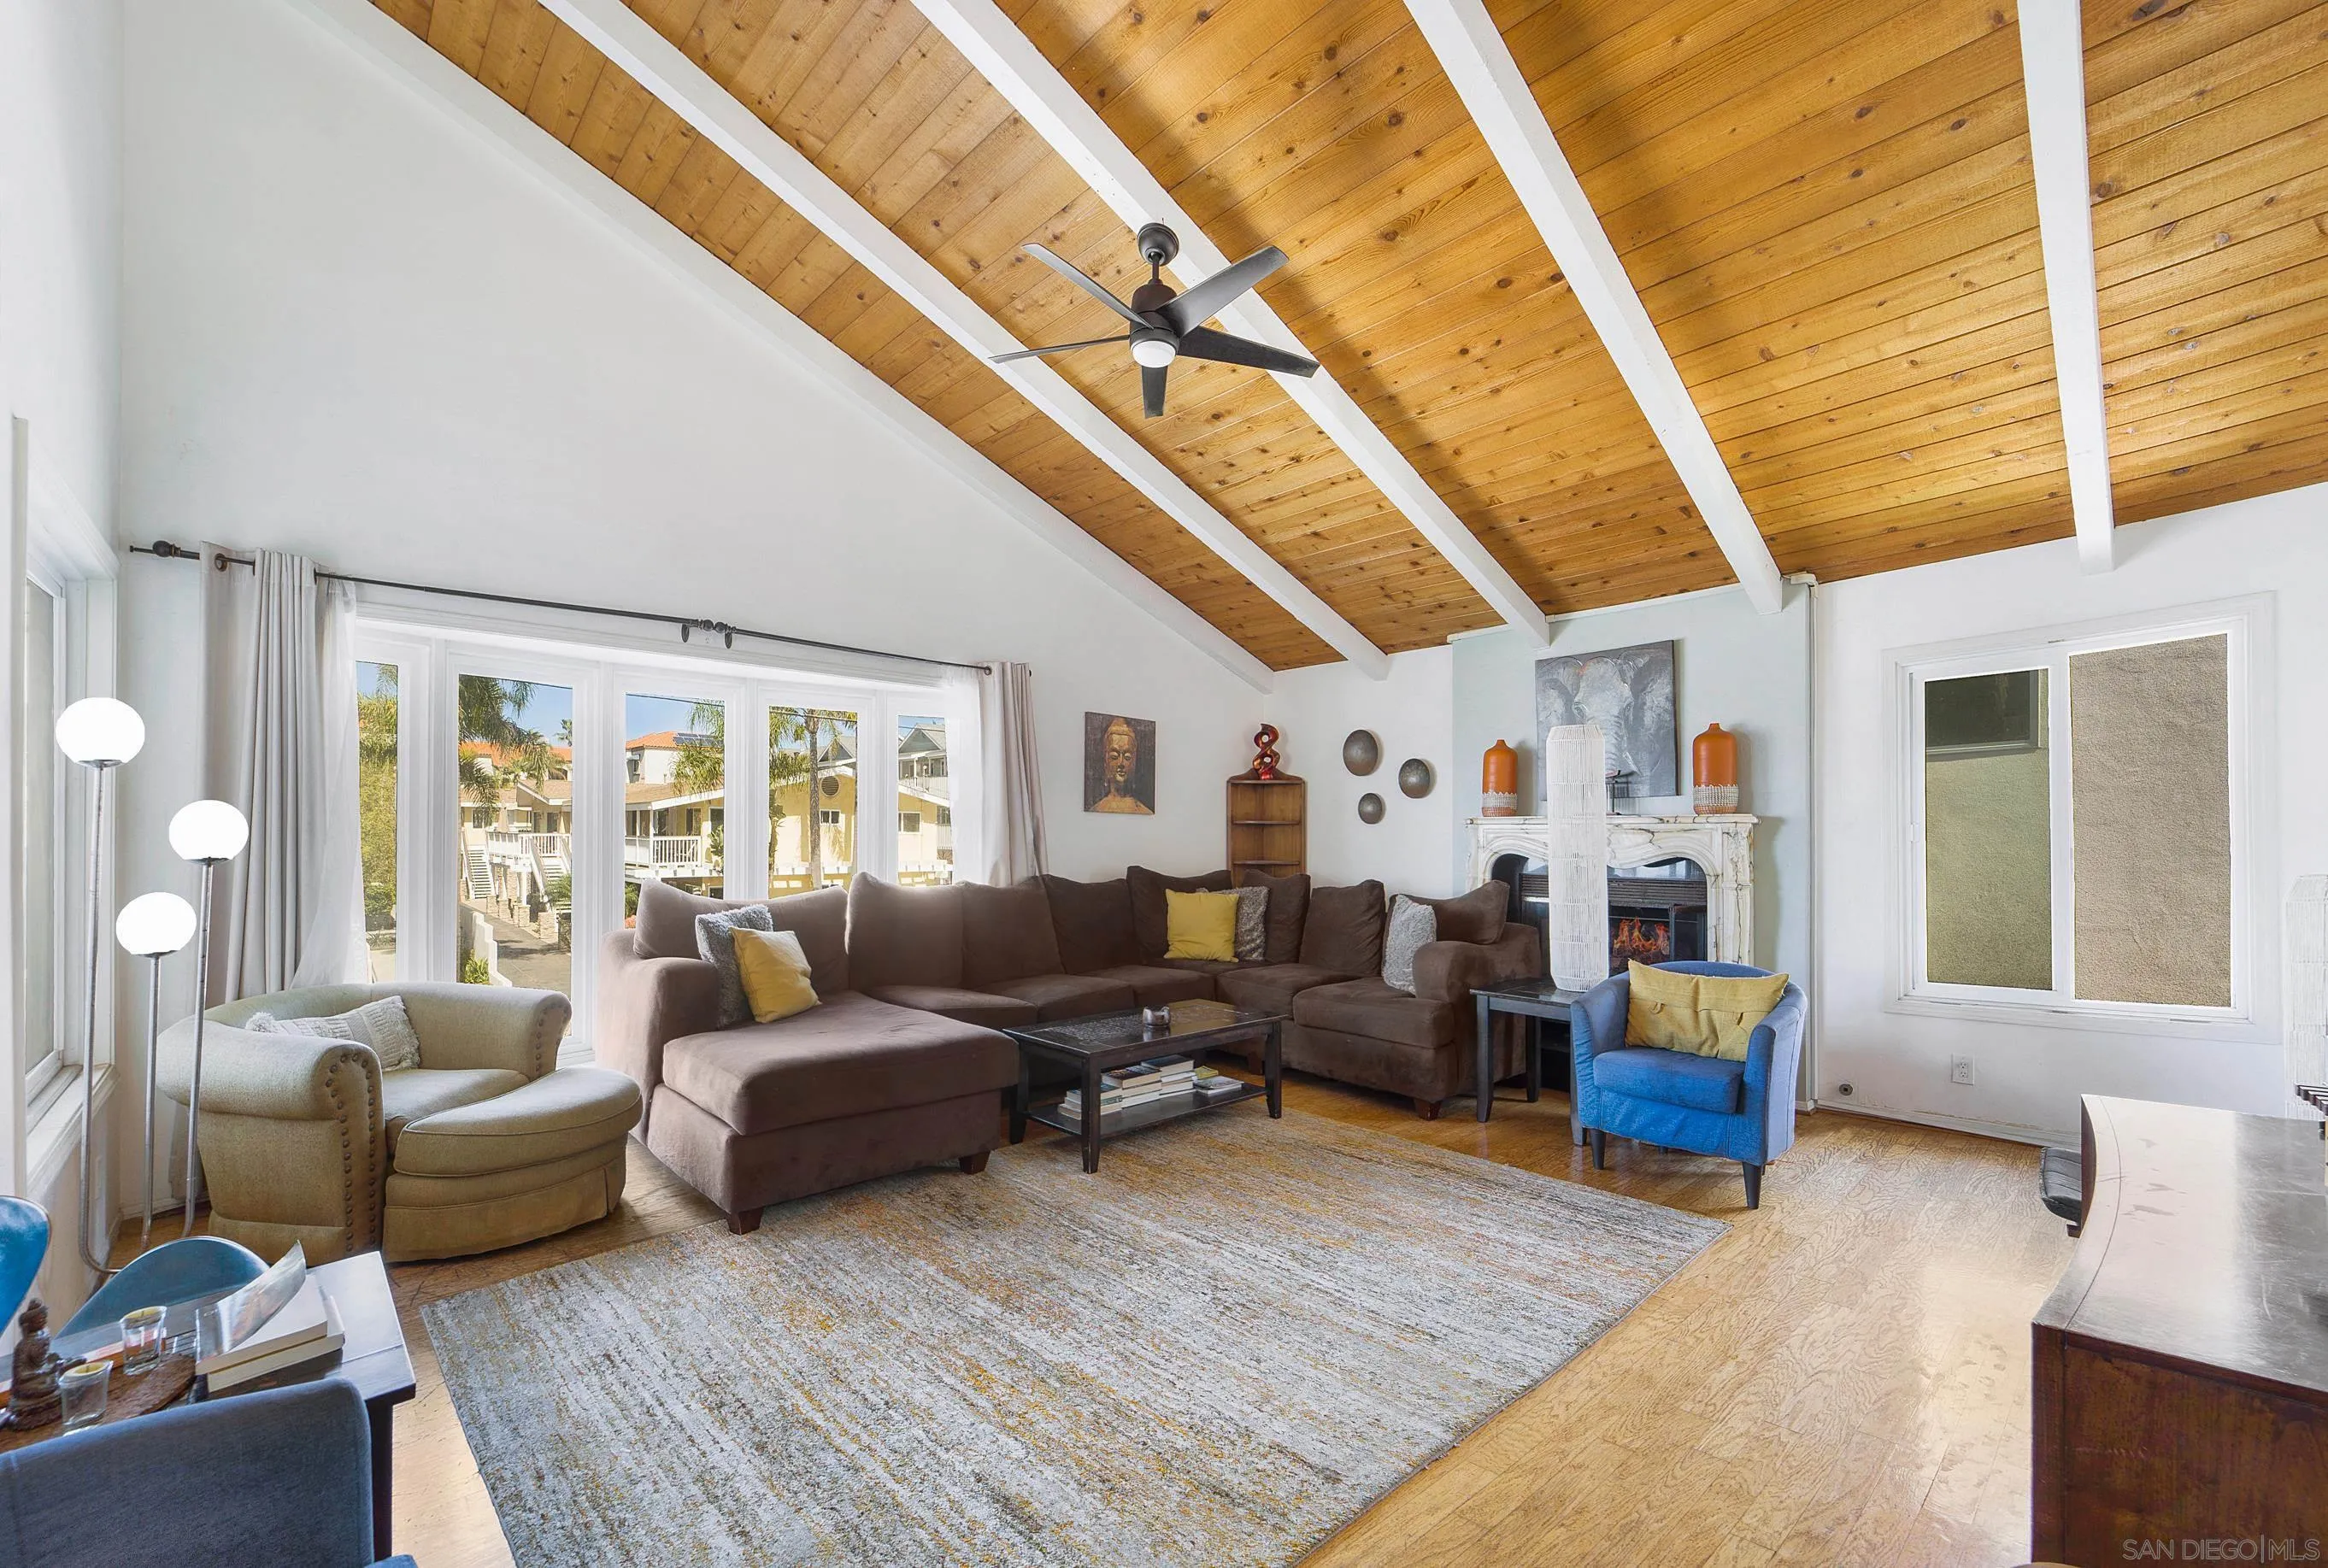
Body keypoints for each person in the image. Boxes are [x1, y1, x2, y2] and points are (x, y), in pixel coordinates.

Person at [1091, 716, 1152, 814]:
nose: (1121, 763)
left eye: (1127, 757)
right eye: (1114, 757)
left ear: (1134, 761)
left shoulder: (1144, 811)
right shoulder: (1096, 809)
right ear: (1106, 761)